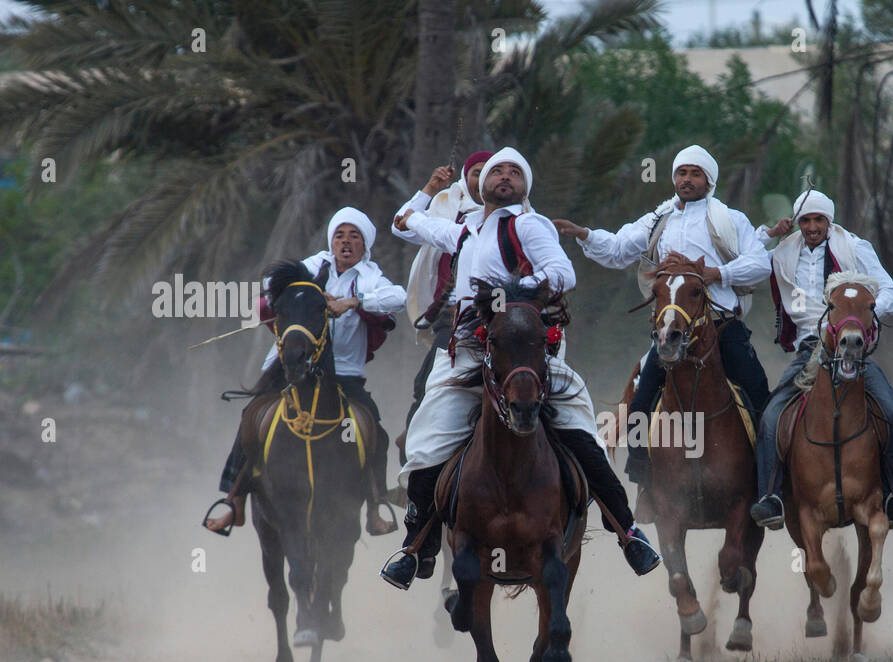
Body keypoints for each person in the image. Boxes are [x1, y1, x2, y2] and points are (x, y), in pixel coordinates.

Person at [381, 147, 661, 589]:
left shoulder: (530, 224)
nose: (506, 176)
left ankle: (627, 532)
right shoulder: (464, 230)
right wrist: (425, 196)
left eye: (515, 172)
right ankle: (417, 548)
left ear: (525, 186)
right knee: (423, 445)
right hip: (470, 353)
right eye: (498, 171)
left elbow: (563, 273)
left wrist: (513, 293)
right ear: (482, 183)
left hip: (528, 352)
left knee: (582, 438)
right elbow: (405, 222)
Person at [552, 145, 772, 519]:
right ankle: (646, 486)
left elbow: (759, 264)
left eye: (695, 173)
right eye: (681, 173)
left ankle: (768, 487)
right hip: (671, 330)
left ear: (709, 180)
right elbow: (620, 248)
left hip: (721, 327)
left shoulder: (730, 219)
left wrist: (716, 274)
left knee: (759, 395)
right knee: (639, 404)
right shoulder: (660, 219)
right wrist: (585, 234)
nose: (687, 179)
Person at [203, 207, 407, 536]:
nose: (345, 241)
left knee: (375, 430)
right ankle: (234, 500)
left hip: (344, 375)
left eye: (354, 236)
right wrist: (310, 294)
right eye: (340, 234)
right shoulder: (312, 267)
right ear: (331, 240)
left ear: (364, 244)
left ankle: (374, 505)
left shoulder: (371, 277)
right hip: (292, 368)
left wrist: (352, 301)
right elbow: (272, 283)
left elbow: (398, 298)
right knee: (251, 417)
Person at [749, 189, 893, 529]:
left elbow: (890, 291)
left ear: (828, 220)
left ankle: (891, 494)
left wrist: (860, 314)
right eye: (805, 220)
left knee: (892, 412)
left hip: (851, 345)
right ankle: (772, 496)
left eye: (818, 219)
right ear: (797, 223)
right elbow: (745, 262)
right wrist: (767, 233)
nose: (811, 227)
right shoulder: (781, 253)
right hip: (808, 347)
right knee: (770, 416)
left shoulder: (854, 247)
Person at [392, 150, 492, 432]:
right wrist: (431, 189)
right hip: (454, 320)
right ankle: (414, 458)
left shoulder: (521, 214)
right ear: (465, 178)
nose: (483, 180)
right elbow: (401, 226)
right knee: (425, 386)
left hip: (503, 320)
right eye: (477, 173)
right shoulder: (448, 208)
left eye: (490, 173)